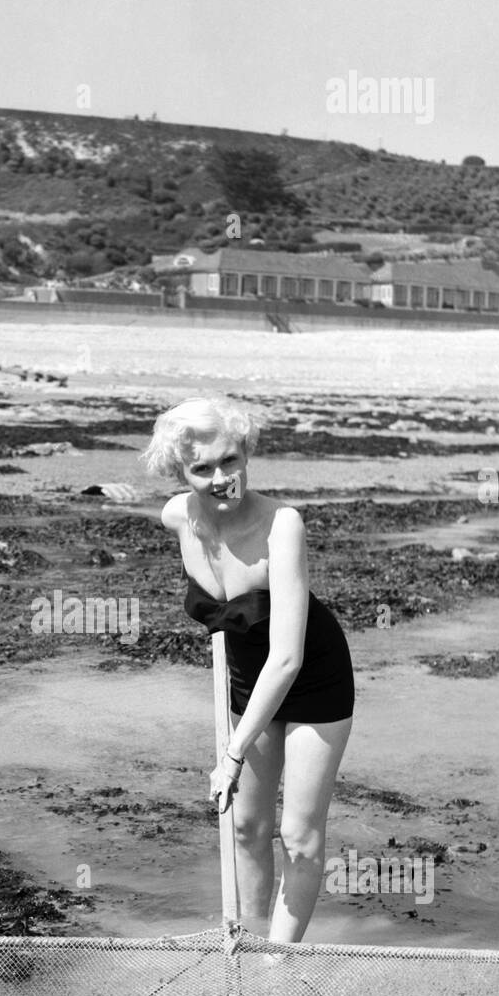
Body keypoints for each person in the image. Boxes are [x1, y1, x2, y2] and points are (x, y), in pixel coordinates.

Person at [142, 397, 354, 944]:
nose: (221, 478)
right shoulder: (177, 516)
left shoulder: (282, 525)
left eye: (230, 460)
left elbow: (286, 656)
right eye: (202, 468)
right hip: (243, 677)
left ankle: (278, 966)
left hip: (311, 677)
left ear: (247, 453)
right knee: (245, 826)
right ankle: (250, 944)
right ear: (179, 473)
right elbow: (164, 509)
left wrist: (233, 753)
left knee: (297, 836)